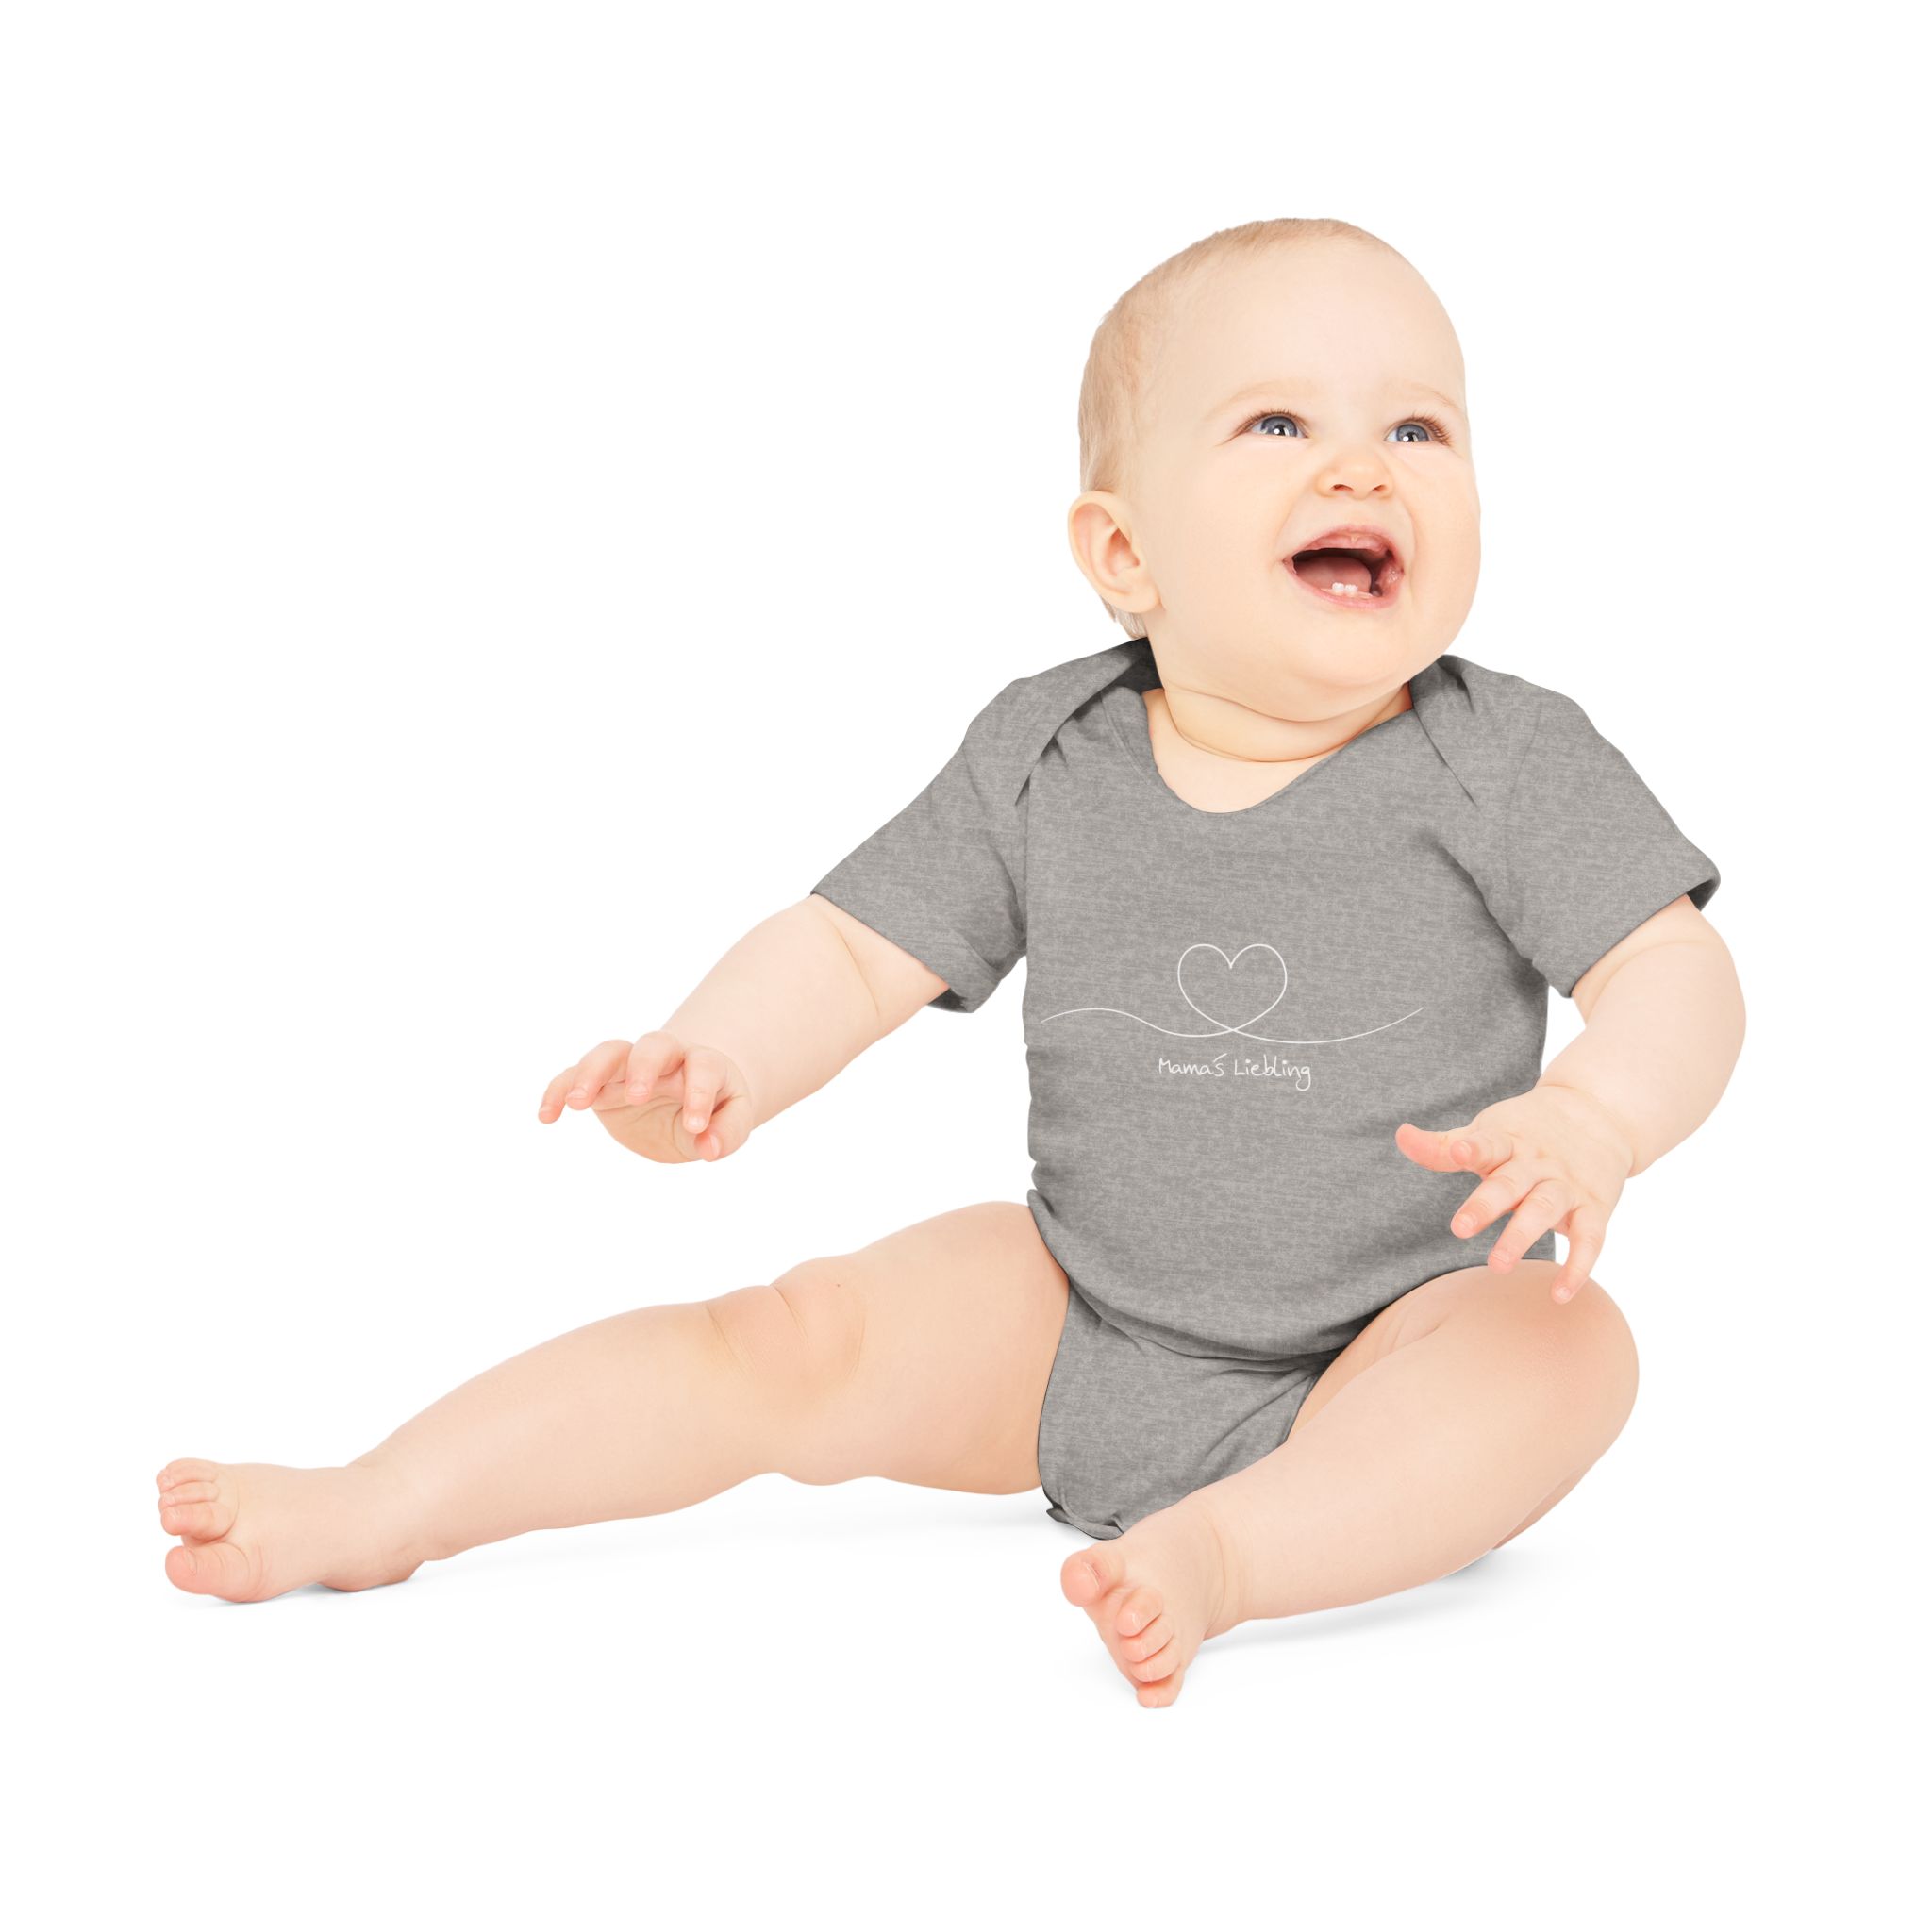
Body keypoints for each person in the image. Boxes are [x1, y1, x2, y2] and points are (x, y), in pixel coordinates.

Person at [156, 217, 1745, 1708]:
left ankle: (1229, 1555)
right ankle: (388, 1499)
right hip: (1079, 1314)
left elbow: (1676, 973)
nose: (1362, 466)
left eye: (1419, 428)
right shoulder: (1047, 750)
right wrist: (717, 1053)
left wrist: (1594, 1117)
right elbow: (854, 949)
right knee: (787, 1339)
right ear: (1123, 552)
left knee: (1566, 1353)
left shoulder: (1509, 759)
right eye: (1278, 423)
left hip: (1401, 1342)